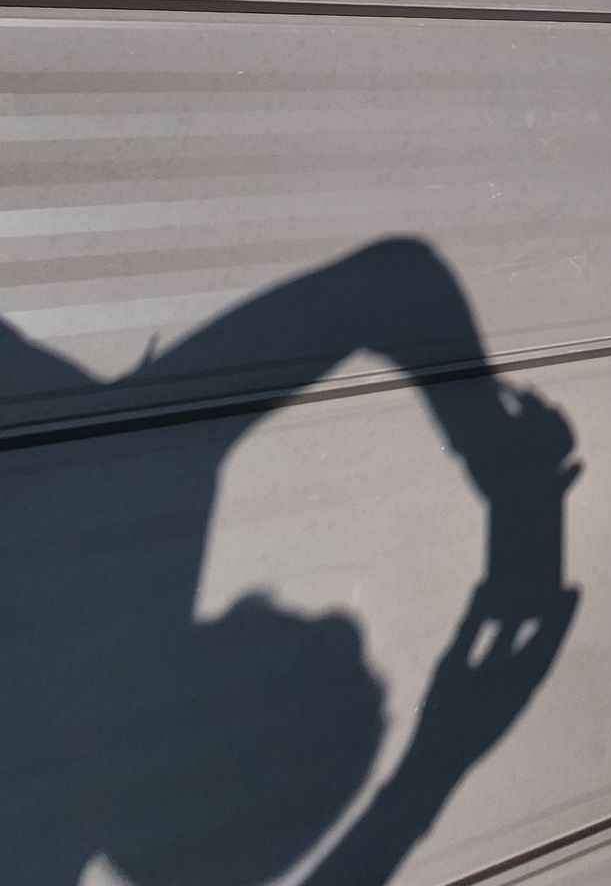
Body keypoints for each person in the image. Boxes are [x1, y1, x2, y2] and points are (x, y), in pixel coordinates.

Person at [2, 238, 579, 886]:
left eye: (285, 623)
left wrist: (509, 479)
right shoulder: (38, 840)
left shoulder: (126, 489)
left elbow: (396, 285)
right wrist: (426, 777)